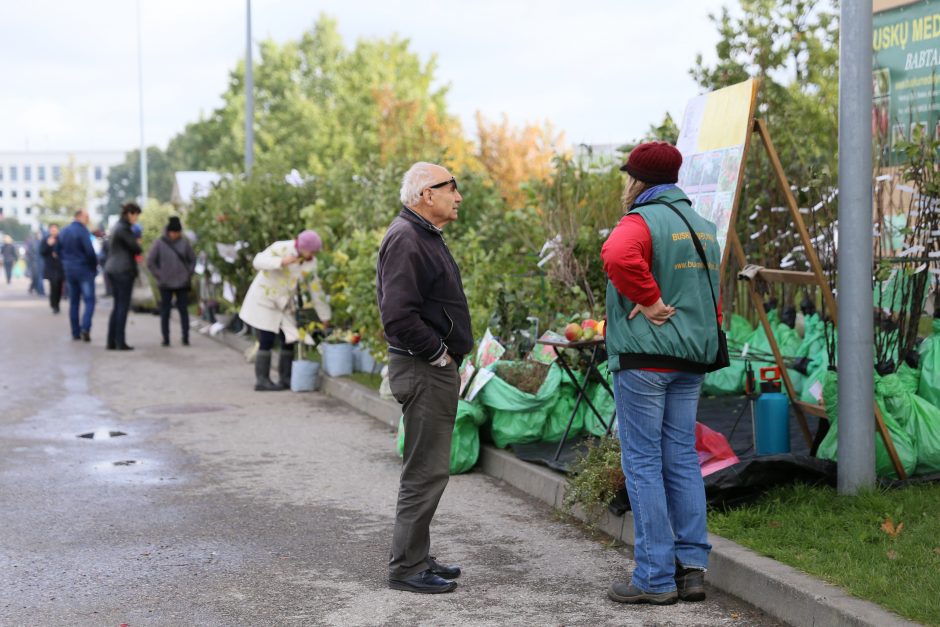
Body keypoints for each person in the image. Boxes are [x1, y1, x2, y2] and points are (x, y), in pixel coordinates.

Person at [600, 142, 721, 605]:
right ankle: (692, 570)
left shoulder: (640, 221)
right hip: (691, 358)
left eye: (628, 177)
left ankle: (653, 577)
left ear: (639, 181)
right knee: (682, 459)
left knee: (644, 463)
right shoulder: (703, 226)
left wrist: (647, 300)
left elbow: (616, 256)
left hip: (646, 360)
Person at [377, 161, 473, 594]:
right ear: (424, 194)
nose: (458, 196)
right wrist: (437, 354)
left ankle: (417, 554)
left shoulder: (421, 234)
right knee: (425, 471)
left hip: (427, 369)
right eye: (450, 188)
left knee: (428, 468)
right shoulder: (407, 238)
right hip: (423, 369)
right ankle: (407, 568)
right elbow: (397, 315)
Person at [238, 230, 331, 391]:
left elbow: (316, 290)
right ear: (302, 247)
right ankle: (262, 380)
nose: (313, 255)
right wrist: (281, 261)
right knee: (266, 339)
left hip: (284, 304)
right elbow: (257, 261)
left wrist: (325, 316)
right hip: (265, 300)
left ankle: (285, 379)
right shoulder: (281, 248)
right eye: (312, 251)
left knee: (289, 338)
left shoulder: (310, 263)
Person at [146, 216, 196, 346]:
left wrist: (188, 274)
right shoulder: (160, 243)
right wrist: (160, 275)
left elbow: (192, 260)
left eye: (177, 232)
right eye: (173, 232)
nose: (175, 235)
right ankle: (165, 338)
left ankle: (186, 336)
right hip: (165, 283)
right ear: (168, 231)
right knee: (165, 311)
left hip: (182, 283)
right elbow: (150, 262)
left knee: (183, 310)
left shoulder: (184, 243)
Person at [104, 202, 143, 350]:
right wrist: (138, 242)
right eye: (136, 215)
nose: (136, 219)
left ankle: (112, 340)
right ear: (130, 214)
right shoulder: (124, 229)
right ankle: (119, 341)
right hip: (123, 270)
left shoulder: (117, 227)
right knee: (122, 306)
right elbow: (136, 247)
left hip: (114, 269)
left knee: (117, 306)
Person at [58, 209, 99, 342]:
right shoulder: (82, 231)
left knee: (74, 301)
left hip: (69, 270)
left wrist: (65, 262)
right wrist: (94, 267)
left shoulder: (64, 231)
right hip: (84, 269)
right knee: (89, 300)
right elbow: (90, 251)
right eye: (87, 216)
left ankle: (75, 331)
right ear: (79, 216)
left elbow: (58, 250)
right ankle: (85, 327)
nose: (88, 219)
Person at [40, 224, 65, 314]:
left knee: (59, 286)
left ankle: (57, 303)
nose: (54, 231)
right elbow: (42, 252)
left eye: (55, 229)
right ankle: (54, 305)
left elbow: (66, 251)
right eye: (52, 230)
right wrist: (48, 245)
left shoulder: (61, 239)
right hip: (51, 267)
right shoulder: (46, 239)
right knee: (53, 285)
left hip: (60, 267)